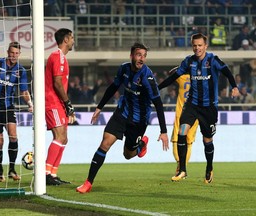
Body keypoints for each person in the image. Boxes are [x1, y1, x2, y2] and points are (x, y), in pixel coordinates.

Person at [76, 42, 169, 194]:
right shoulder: (124, 68)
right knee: (105, 143)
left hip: (138, 121)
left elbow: (158, 103)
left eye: (144, 56)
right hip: (122, 113)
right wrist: (99, 107)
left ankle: (140, 146)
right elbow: (113, 87)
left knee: (128, 155)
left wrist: (163, 131)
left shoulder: (147, 76)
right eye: (139, 55)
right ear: (131, 55)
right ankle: (88, 182)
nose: (142, 59)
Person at [158, 33, 239, 183]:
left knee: (207, 140)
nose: (197, 48)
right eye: (195, 45)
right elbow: (173, 77)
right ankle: (182, 170)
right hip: (192, 105)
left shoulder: (213, 60)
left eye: (200, 45)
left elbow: (227, 71)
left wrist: (234, 86)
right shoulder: (189, 62)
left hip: (209, 108)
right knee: (182, 132)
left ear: (205, 46)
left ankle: (209, 167)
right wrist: (157, 88)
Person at [0, 41, 33, 182]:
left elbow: (24, 91)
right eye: (12, 52)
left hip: (8, 107)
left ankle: (12, 170)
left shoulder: (20, 71)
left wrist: (29, 102)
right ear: (7, 52)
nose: (14, 56)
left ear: (19, 54)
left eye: (16, 53)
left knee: (13, 136)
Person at [44, 28, 76, 186]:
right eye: (72, 38)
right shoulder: (57, 57)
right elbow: (57, 82)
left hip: (58, 103)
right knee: (59, 136)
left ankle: (53, 174)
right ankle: (45, 174)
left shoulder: (61, 58)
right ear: (65, 40)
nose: (73, 41)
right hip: (53, 102)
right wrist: (67, 103)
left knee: (64, 138)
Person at [159, 66, 199, 176]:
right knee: (189, 142)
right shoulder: (199, 78)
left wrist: (179, 67)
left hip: (181, 114)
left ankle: (179, 165)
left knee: (176, 140)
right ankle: (183, 167)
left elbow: (170, 72)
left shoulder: (181, 77)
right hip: (195, 114)